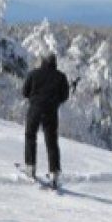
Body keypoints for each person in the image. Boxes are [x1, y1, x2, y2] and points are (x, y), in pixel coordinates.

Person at [21, 53, 70, 187]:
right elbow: (65, 96)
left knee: (30, 136)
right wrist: (55, 101)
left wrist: (34, 97)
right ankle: (54, 172)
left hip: (35, 109)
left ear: (42, 62)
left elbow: (24, 92)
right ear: (54, 63)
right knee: (52, 141)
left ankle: (30, 167)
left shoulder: (33, 74)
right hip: (51, 111)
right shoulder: (61, 77)